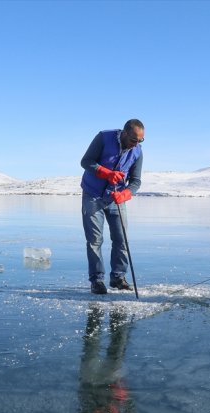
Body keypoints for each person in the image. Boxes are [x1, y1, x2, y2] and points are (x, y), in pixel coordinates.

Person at [80, 119, 144, 294]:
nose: (136, 144)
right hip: (92, 196)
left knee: (121, 240)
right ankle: (97, 280)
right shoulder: (103, 137)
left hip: (116, 199)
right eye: (133, 140)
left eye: (140, 141)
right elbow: (86, 161)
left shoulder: (137, 151)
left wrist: (125, 194)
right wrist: (106, 173)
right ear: (124, 133)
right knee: (95, 241)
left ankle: (118, 277)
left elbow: (136, 181)